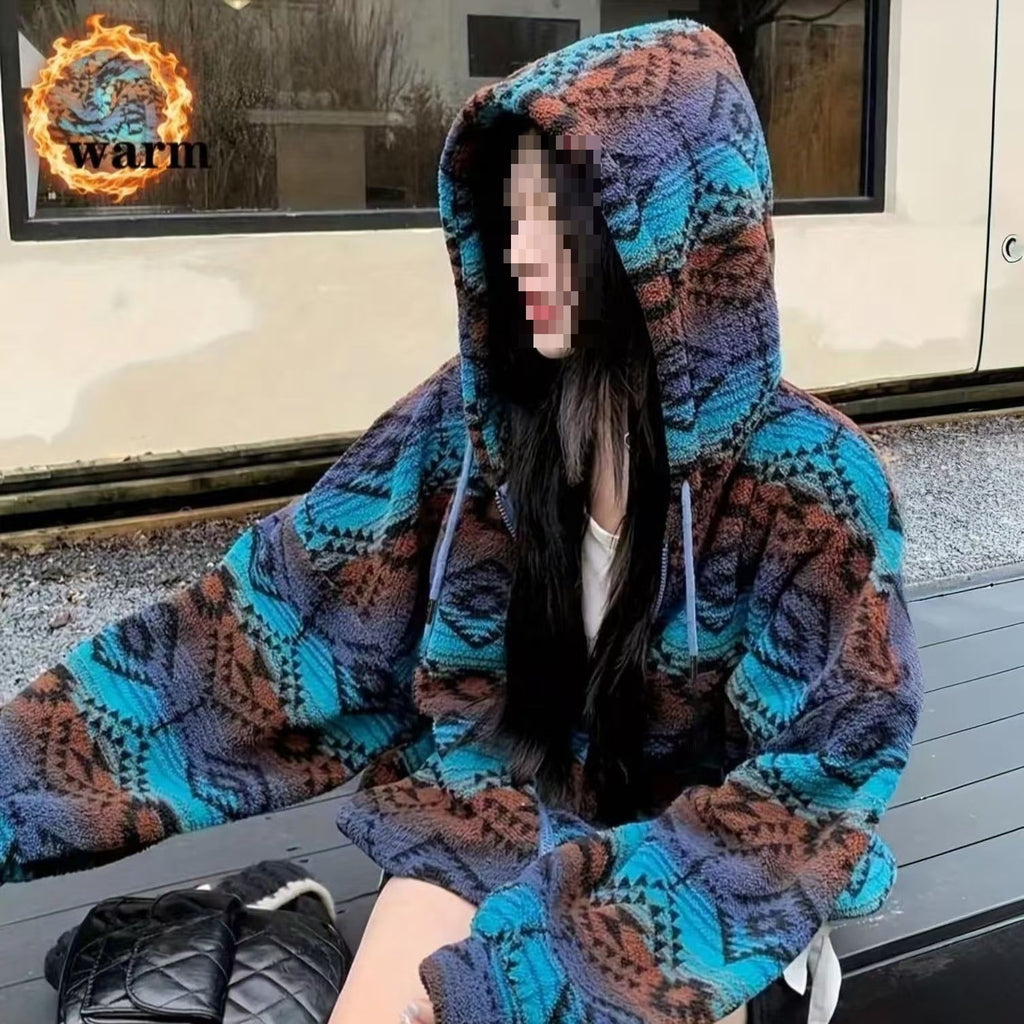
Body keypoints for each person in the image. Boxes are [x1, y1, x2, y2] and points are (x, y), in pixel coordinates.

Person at [0, 18, 924, 1024]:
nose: (521, 251)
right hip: (493, 809)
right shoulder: (472, 426)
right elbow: (264, 628)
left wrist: (528, 983)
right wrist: (16, 784)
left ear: (673, 237)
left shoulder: (816, 486)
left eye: (559, 219)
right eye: (512, 216)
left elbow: (815, 781)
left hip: (691, 869)